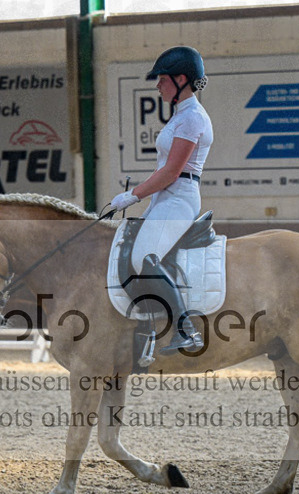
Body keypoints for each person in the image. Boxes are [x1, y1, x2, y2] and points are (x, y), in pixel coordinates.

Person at [109, 45, 213, 354]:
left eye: (162, 79)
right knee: (132, 252)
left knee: (144, 257)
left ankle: (186, 329)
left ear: (181, 79)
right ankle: (146, 328)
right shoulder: (180, 117)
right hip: (166, 198)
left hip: (179, 198)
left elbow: (171, 172)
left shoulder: (193, 118)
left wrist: (133, 195)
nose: (157, 86)